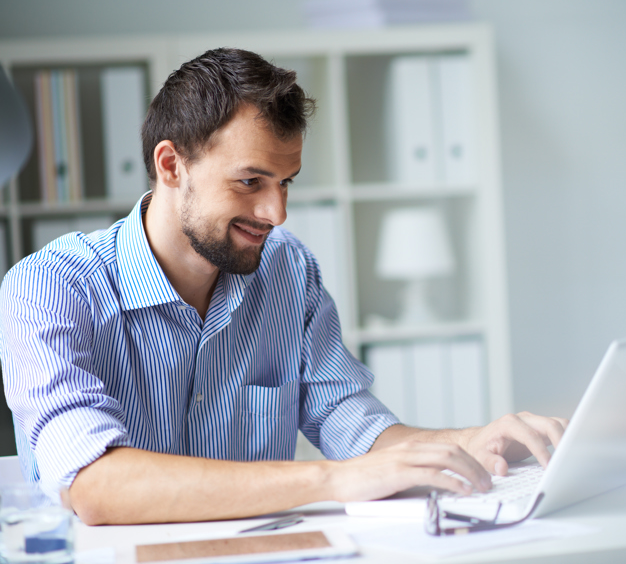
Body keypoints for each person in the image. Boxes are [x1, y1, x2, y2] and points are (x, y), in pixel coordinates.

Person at [0, 48, 567, 526]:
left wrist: (475, 440)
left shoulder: (288, 271)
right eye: (250, 181)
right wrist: (333, 480)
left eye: (285, 183)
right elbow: (95, 485)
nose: (276, 212)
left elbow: (352, 423)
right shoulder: (49, 287)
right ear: (171, 166)